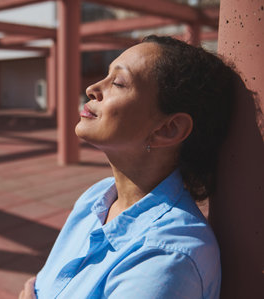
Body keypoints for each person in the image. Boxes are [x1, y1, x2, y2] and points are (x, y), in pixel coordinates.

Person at [18, 35, 237, 299]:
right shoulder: (95, 198)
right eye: (106, 76)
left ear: (168, 128)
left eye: (118, 83)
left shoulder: (166, 260)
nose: (92, 88)